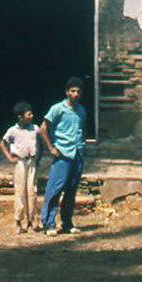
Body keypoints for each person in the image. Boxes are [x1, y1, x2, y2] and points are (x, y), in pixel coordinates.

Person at [40, 77, 86, 236]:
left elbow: (81, 131)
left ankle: (67, 223)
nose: (76, 94)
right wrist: (51, 147)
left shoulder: (81, 110)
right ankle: (48, 223)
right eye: (73, 91)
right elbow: (43, 128)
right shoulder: (57, 108)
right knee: (55, 189)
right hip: (63, 154)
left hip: (77, 154)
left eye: (79, 91)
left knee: (71, 190)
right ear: (67, 92)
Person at [0, 101, 41, 234]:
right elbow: (2, 143)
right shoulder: (13, 130)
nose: (32, 116)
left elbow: (41, 142)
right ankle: (18, 220)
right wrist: (9, 157)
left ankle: (31, 221)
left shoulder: (34, 128)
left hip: (32, 162)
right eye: (29, 114)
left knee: (32, 191)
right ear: (20, 117)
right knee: (20, 191)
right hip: (20, 163)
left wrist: (38, 157)